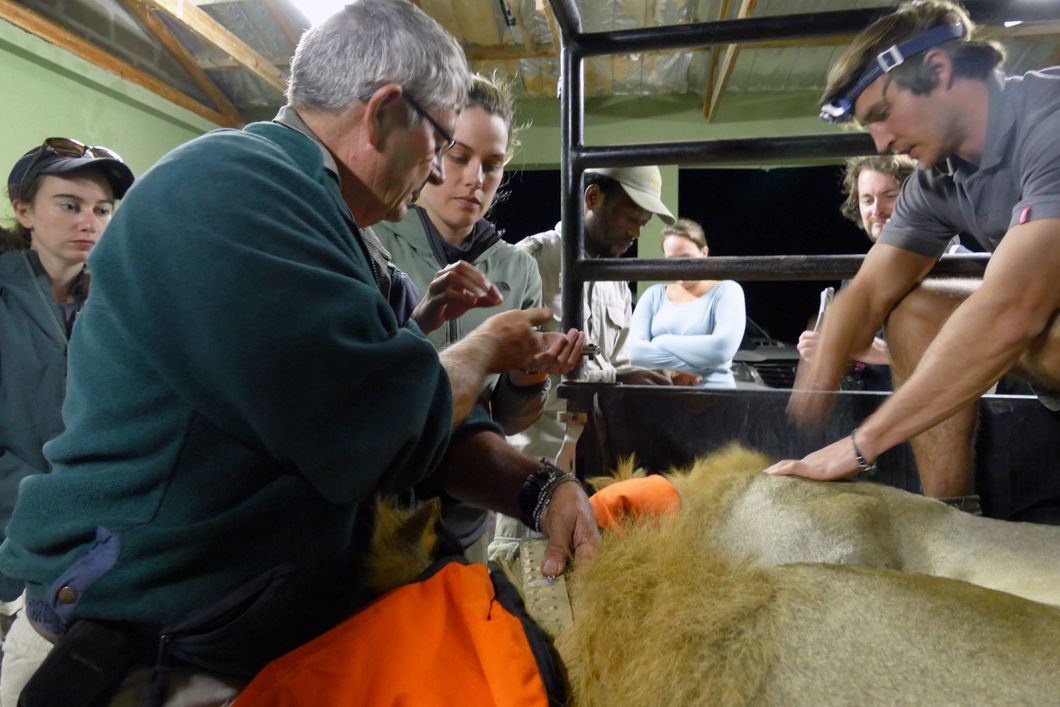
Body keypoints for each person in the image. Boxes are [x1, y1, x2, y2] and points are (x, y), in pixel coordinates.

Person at [0, 2, 598, 704]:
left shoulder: (340, 234)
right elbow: (379, 426)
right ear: (383, 114)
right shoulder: (232, 191)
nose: (438, 169)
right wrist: (487, 345)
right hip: (138, 654)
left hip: (234, 640)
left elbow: (424, 414)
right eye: (441, 142)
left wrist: (537, 488)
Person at [767, 0, 1060, 511]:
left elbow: (1011, 311)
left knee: (1009, 315)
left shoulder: (1050, 122)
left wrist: (859, 446)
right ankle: (948, 518)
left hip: (1037, 322)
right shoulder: (935, 180)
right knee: (915, 308)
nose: (881, 141)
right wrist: (830, 351)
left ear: (940, 70)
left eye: (882, 114)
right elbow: (873, 288)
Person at [375, 72, 584, 556]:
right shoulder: (375, 241)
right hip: (381, 505)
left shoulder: (518, 268)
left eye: (492, 165)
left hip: (468, 513)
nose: (476, 179)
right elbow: (358, 394)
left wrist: (528, 374)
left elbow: (510, 421)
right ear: (430, 151)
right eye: (459, 156)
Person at [491, 165, 690, 560]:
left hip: (598, 477)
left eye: (644, 223)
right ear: (593, 198)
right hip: (536, 478)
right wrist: (616, 375)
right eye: (632, 217)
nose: (636, 232)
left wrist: (653, 379)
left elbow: (621, 359)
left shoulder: (615, 278)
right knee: (528, 592)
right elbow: (500, 379)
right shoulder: (530, 261)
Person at [0, 139, 134, 680]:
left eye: (102, 210)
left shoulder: (118, 306)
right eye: (69, 204)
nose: (90, 221)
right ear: (24, 210)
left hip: (73, 559)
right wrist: (53, 510)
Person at [628, 218, 746, 388]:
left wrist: (661, 341)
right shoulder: (654, 295)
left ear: (704, 253)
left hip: (716, 399)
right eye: (672, 260)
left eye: (686, 258)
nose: (680, 267)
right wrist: (702, 361)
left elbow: (721, 349)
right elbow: (635, 353)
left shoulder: (727, 291)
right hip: (661, 401)